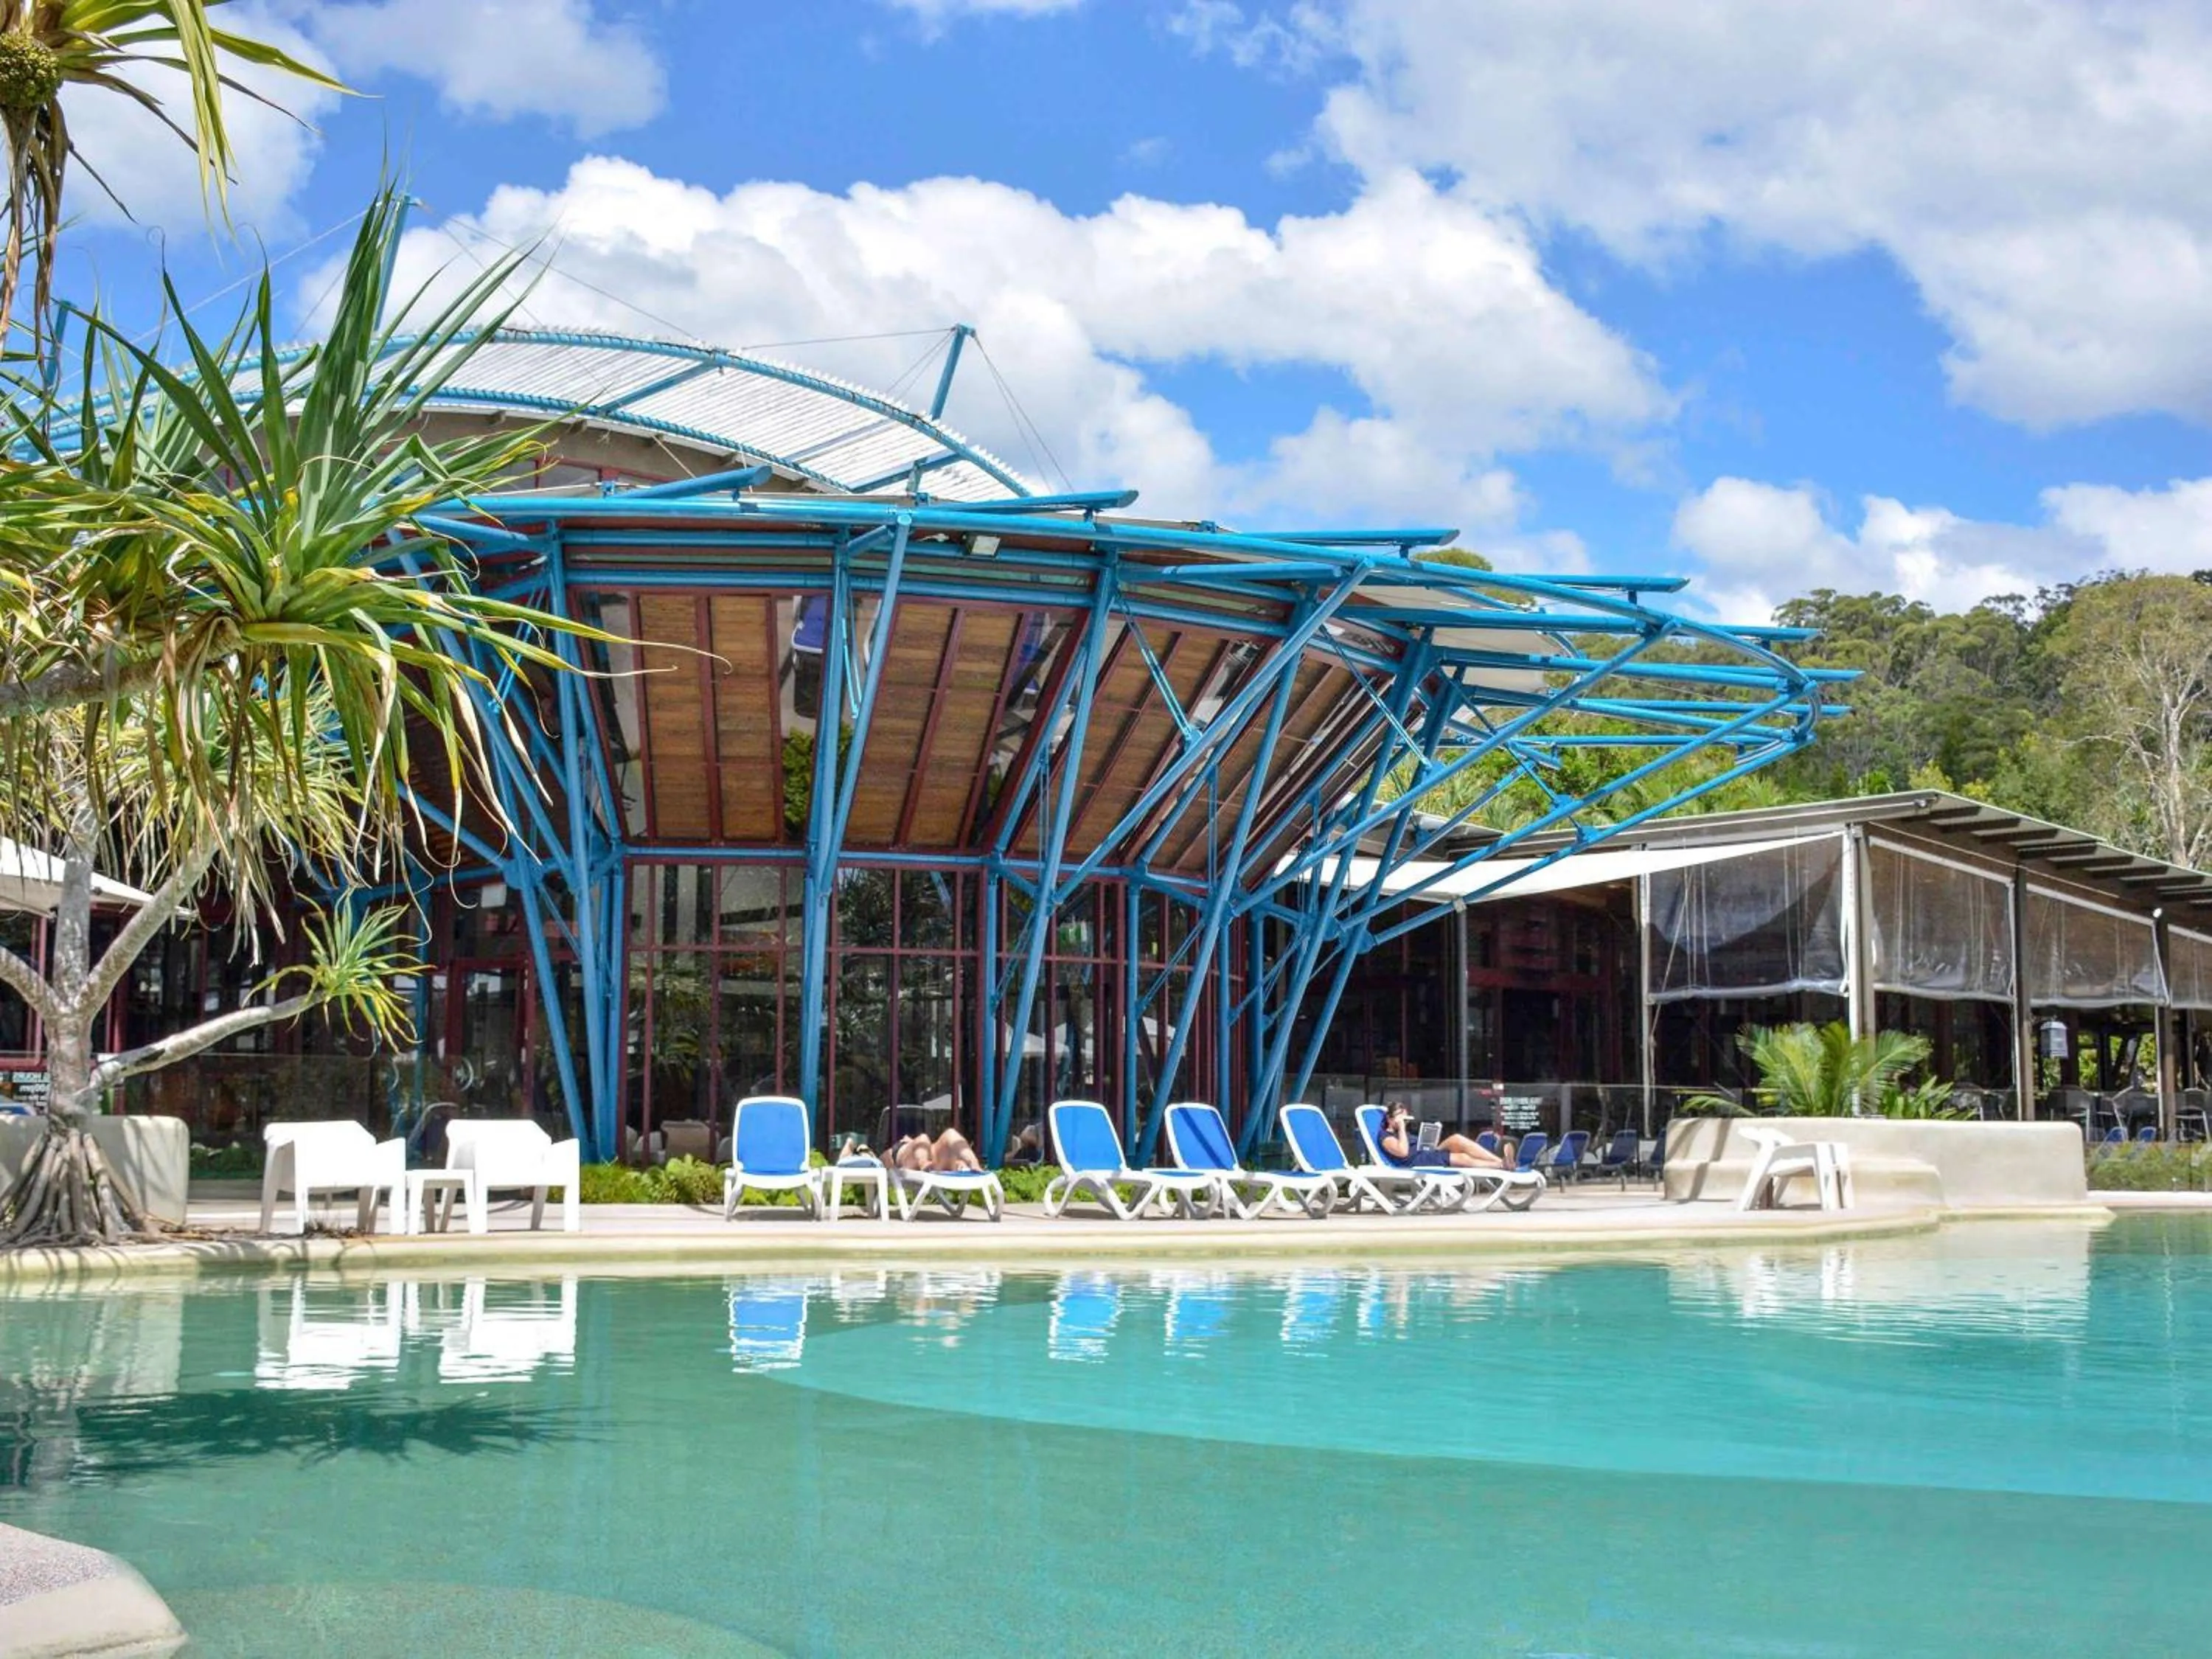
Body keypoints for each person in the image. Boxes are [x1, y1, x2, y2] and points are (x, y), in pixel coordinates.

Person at [1377, 1101, 1506, 1169]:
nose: (1404, 1122)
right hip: (1416, 1161)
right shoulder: (1385, 1137)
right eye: (1400, 1118)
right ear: (1389, 1118)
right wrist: (1401, 1128)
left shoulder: (1402, 1133)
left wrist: (1433, 1135)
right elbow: (1403, 1152)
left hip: (1426, 1153)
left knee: (1458, 1139)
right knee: (1461, 1157)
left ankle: (1500, 1161)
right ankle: (1499, 1166)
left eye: (1406, 1119)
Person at [888, 1125, 984, 1172]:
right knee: (923, 1139)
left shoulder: (927, 1145)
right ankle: (925, 1165)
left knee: (950, 1133)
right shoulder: (895, 1149)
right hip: (907, 1160)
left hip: (932, 1160)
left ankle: (973, 1163)